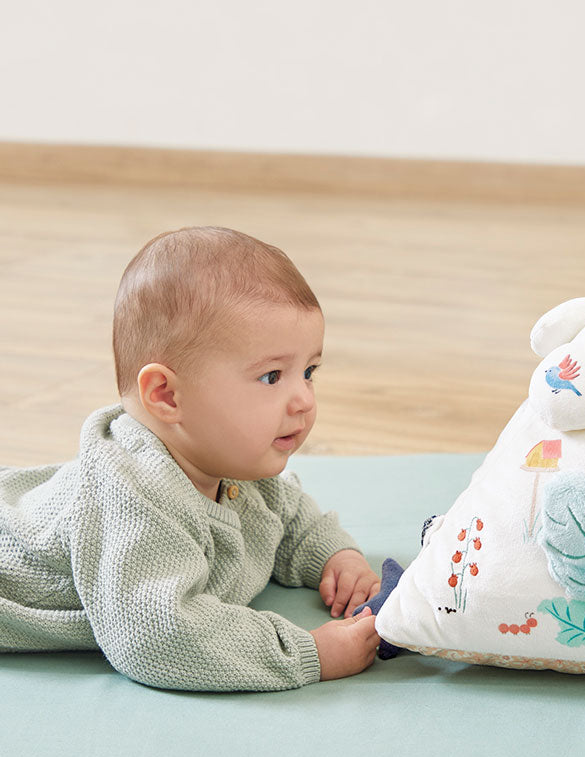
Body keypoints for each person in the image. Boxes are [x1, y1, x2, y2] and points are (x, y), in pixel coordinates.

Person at [0, 226, 382, 691]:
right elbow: (160, 636)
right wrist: (307, 652)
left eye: (309, 372)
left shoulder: (231, 462)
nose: (303, 398)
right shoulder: (132, 500)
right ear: (166, 395)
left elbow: (284, 512)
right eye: (271, 377)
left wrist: (333, 555)